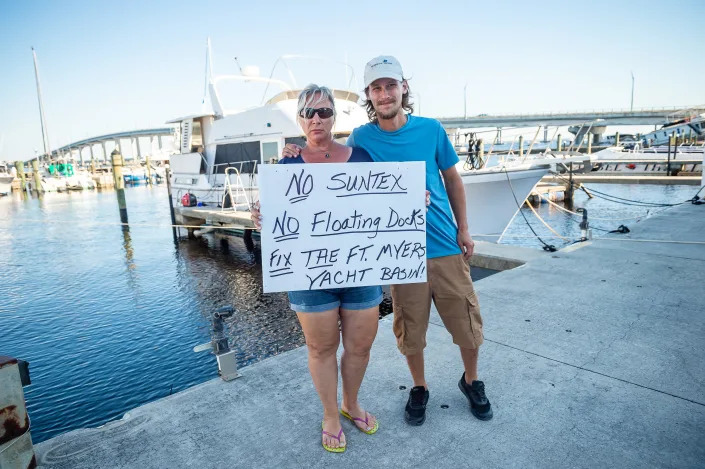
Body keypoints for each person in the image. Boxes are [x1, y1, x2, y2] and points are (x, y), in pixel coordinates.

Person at [283, 56, 493, 426]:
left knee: (466, 323)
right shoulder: (361, 140)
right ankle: (419, 387)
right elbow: (339, 187)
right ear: (368, 94)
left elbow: (453, 180)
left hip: (444, 242)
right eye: (377, 88)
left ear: (403, 87)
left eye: (390, 85)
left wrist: (464, 228)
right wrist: (290, 157)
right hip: (398, 253)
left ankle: (472, 380)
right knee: (410, 329)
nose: (384, 94)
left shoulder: (430, 129)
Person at [251, 84, 381, 453]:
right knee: (320, 347)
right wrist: (261, 215)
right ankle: (329, 413)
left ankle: (350, 403)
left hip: (360, 270)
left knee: (359, 346)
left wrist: (408, 200)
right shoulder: (288, 162)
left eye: (323, 111)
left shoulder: (361, 156)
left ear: (334, 116)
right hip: (309, 275)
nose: (316, 119)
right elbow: (275, 213)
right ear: (300, 120)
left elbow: (381, 204)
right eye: (308, 113)